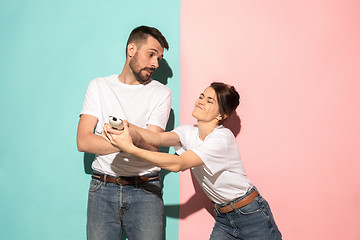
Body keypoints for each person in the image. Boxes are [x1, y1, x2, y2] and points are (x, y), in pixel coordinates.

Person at [103, 82, 282, 240]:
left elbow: (178, 164)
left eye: (209, 101)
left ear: (221, 115)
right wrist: (125, 124)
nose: (200, 101)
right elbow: (157, 139)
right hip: (224, 217)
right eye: (201, 96)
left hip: (251, 214)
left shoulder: (221, 138)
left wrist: (130, 149)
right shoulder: (188, 132)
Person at [77, 25, 171, 240]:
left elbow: (153, 145)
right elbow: (83, 141)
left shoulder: (161, 93)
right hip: (103, 187)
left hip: (146, 189)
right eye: (151, 54)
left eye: (159, 58)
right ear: (131, 50)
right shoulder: (99, 86)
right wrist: (131, 140)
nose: (155, 63)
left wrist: (112, 138)